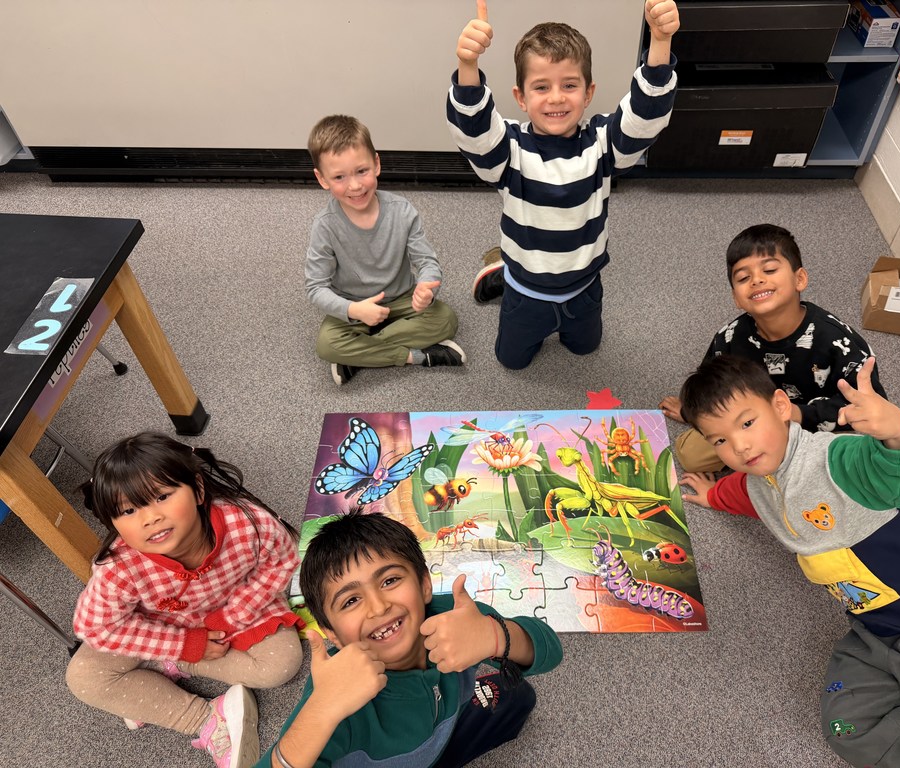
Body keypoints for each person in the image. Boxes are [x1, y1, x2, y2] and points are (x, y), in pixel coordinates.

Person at [678, 354, 900, 768]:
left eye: (747, 423)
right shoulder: (758, 483)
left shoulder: (837, 460)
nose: (739, 446)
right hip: (876, 631)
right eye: (719, 440)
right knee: (846, 726)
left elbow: (898, 469)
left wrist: (898, 430)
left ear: (780, 407)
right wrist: (711, 495)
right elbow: (745, 493)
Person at [447, 0, 680, 369]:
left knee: (586, 350)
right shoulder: (511, 149)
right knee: (511, 362)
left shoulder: (603, 143)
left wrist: (660, 41)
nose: (556, 97)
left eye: (569, 85)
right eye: (541, 87)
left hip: (584, 288)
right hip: (525, 290)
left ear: (588, 93)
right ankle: (500, 273)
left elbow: (644, 120)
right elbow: (473, 135)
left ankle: (501, 269)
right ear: (521, 98)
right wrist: (468, 66)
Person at [66, 432, 304, 768]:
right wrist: (184, 645)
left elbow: (281, 559)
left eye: (161, 496)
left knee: (280, 666)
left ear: (198, 489)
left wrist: (234, 615)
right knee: (84, 678)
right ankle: (206, 718)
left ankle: (160, 670)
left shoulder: (246, 522)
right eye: (128, 511)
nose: (149, 518)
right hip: (159, 627)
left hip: (233, 605)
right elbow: (97, 627)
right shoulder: (120, 566)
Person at [259, 512, 563, 768]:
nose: (378, 607)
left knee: (519, 696)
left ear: (425, 585)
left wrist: (496, 636)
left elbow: (550, 651)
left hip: (440, 739)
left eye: (390, 581)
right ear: (333, 635)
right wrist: (322, 710)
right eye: (350, 601)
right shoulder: (335, 699)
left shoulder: (452, 615)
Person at [659, 223, 886, 474]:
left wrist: (797, 415)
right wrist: (697, 414)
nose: (757, 280)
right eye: (744, 278)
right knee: (691, 454)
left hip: (813, 426)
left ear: (799, 279)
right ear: (736, 297)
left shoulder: (837, 341)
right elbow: (711, 383)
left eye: (769, 269)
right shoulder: (731, 336)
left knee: (855, 458)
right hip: (751, 423)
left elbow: (871, 407)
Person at [305, 114, 466, 386]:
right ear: (322, 179)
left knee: (446, 319)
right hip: (354, 305)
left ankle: (359, 355)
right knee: (326, 344)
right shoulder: (325, 226)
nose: (355, 185)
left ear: (376, 164)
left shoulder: (402, 211)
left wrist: (427, 287)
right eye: (339, 177)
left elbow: (427, 261)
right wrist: (354, 310)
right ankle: (413, 356)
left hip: (401, 298)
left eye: (361, 171)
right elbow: (315, 288)